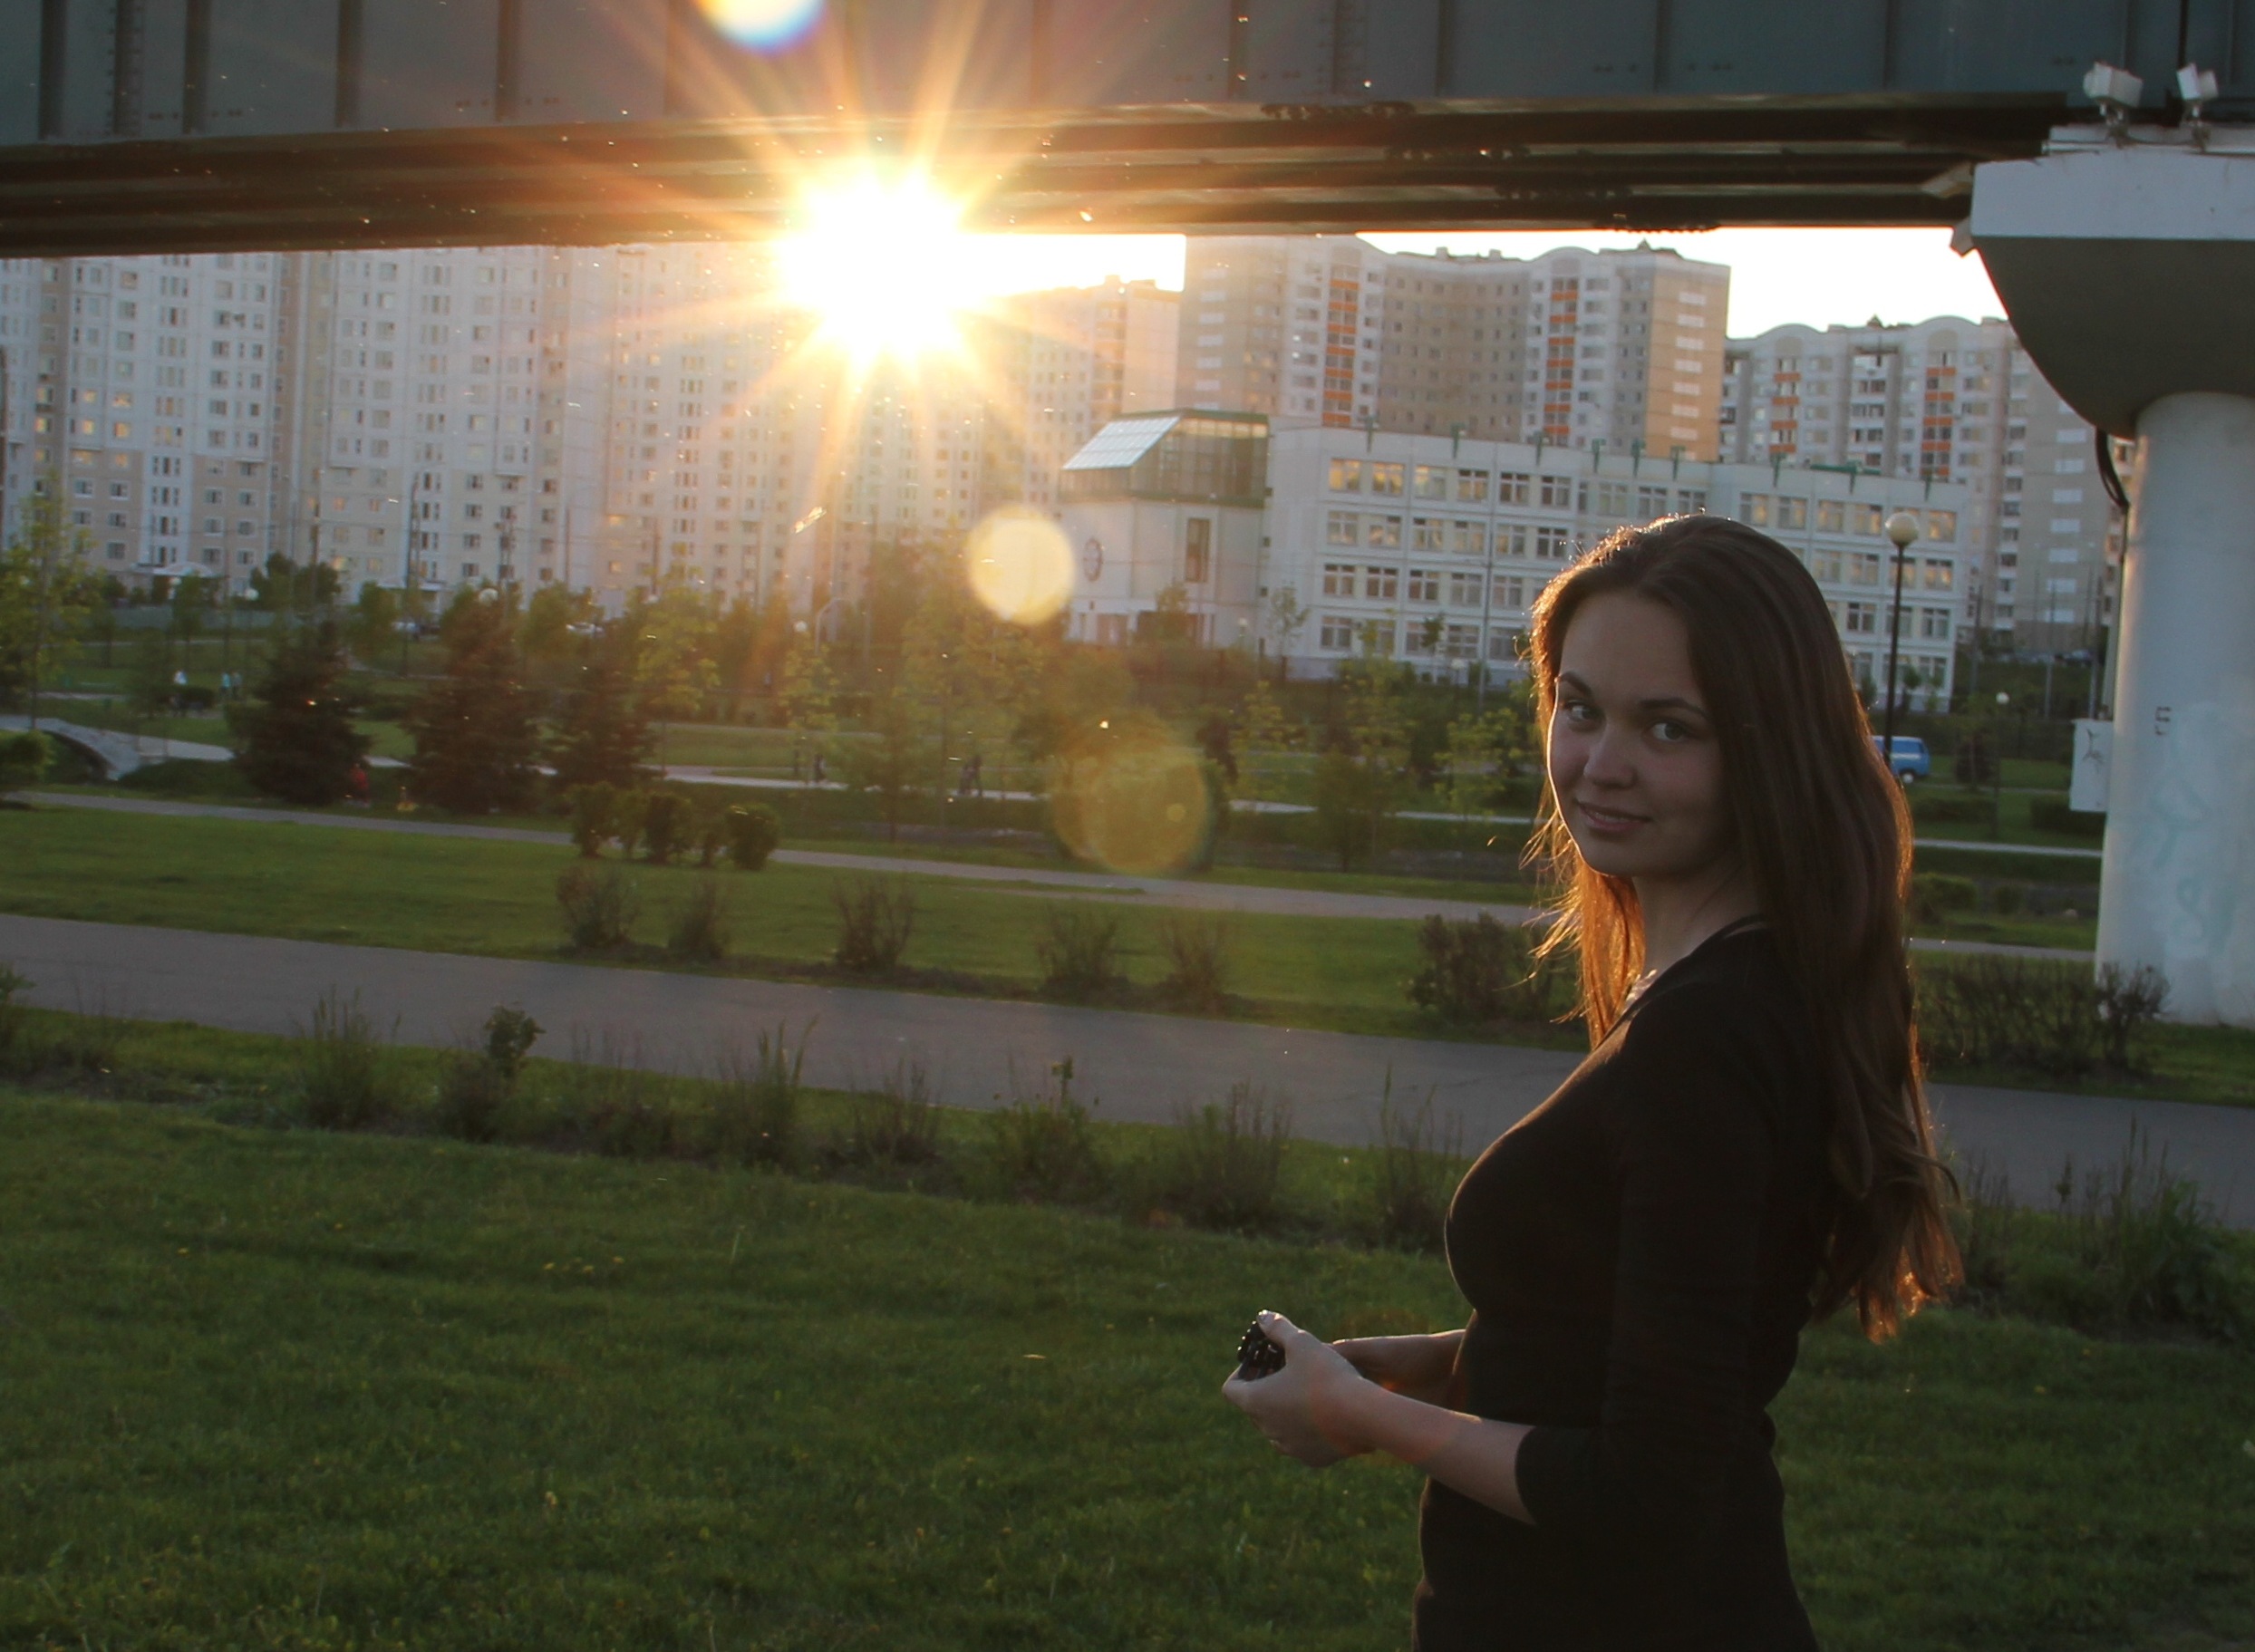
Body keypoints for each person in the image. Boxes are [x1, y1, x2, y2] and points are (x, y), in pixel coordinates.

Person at [1224, 515, 1959, 1649]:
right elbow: (1636, 1341)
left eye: (1668, 726)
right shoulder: (1735, 986)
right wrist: (1431, 1366)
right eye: (1579, 707)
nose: (1599, 763)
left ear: (1768, 747)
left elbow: (1645, 1492)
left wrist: (1355, 1412)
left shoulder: (1706, 1037)